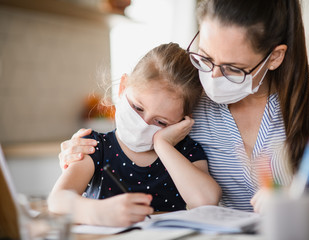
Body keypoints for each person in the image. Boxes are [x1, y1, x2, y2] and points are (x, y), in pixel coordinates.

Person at [58, 0, 309, 214]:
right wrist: (78, 153)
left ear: (275, 57)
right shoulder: (189, 106)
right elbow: (134, 144)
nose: (212, 78)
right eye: (204, 56)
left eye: (232, 68)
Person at [48, 43, 221, 227]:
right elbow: (57, 200)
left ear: (182, 121)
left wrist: (163, 144)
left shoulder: (186, 152)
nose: (143, 124)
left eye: (161, 122)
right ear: (123, 87)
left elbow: (206, 200)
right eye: (138, 108)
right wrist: (99, 212)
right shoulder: (94, 145)